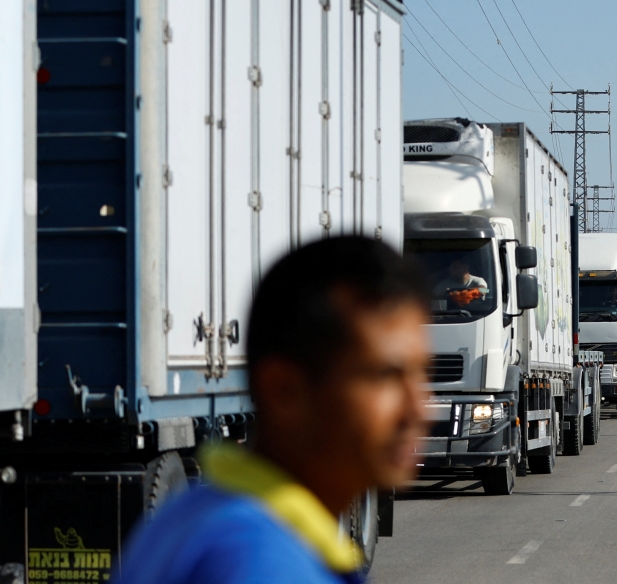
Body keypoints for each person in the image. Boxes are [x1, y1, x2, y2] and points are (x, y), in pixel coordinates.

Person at [114, 237, 430, 584]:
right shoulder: (259, 561)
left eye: (421, 373)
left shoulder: (196, 516)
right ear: (283, 391)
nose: (418, 409)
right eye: (385, 376)